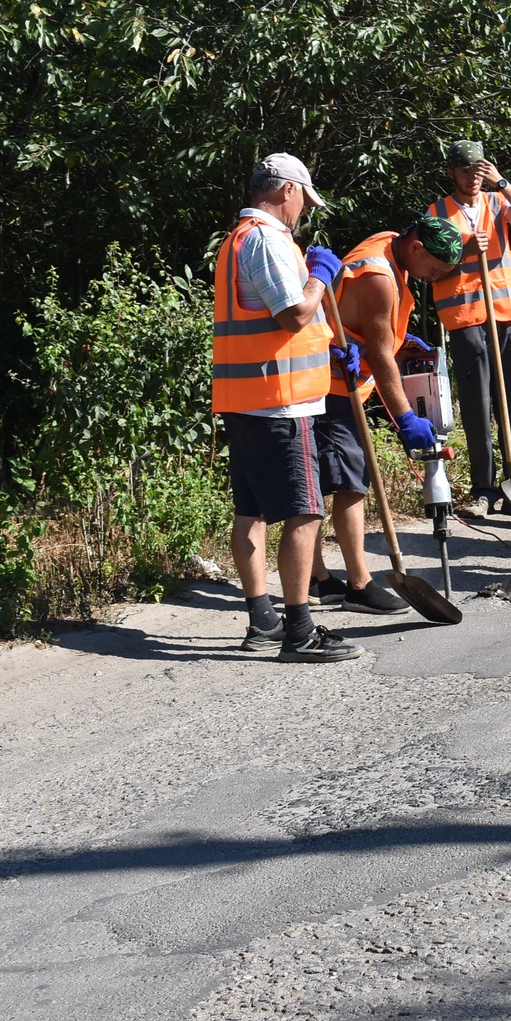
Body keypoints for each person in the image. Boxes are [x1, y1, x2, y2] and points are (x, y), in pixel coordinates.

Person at [210, 154, 358, 663]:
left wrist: (331, 344)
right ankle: (299, 631)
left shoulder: (237, 240)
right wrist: (321, 277)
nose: (303, 211)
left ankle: (262, 621)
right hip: (281, 403)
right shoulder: (269, 239)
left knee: (250, 511)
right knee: (304, 511)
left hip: (245, 399)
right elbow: (295, 313)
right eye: (303, 199)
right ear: (287, 190)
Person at [309, 217, 465, 611]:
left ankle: (319, 579)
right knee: (350, 481)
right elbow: (378, 355)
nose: (431, 278)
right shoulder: (378, 274)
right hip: (329, 384)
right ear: (415, 247)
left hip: (337, 379)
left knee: (324, 481)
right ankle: (359, 585)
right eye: (433, 269)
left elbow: (369, 330)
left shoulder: (388, 243)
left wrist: (398, 340)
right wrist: (405, 417)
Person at [423, 140, 511, 507]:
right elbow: (431, 267)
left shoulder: (498, 203)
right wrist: (463, 251)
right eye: (464, 171)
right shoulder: (438, 213)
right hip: (466, 321)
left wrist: (502, 182)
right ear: (450, 173)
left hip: (507, 318)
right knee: (477, 406)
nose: (472, 178)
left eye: (477, 171)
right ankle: (483, 490)